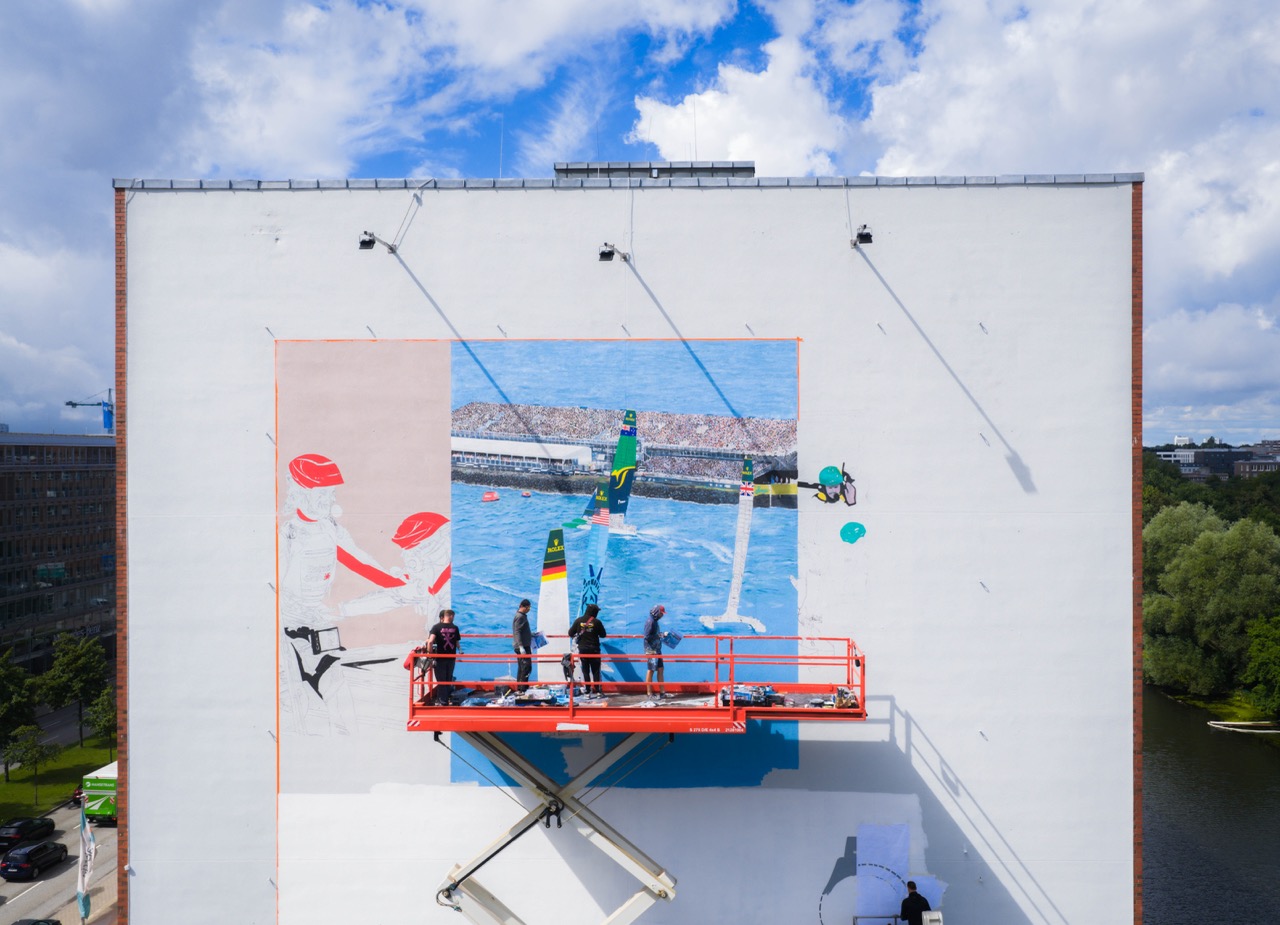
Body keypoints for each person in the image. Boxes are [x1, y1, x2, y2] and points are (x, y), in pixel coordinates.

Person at [568, 604, 607, 696]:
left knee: (585, 671)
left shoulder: (578, 621)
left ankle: (587, 691)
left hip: (583, 649)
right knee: (596, 671)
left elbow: (570, 633)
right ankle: (598, 691)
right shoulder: (597, 622)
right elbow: (603, 635)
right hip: (594, 650)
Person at [426, 609, 462, 705]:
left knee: (441, 680)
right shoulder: (455, 628)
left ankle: (443, 701)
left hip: (440, 658)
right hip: (451, 658)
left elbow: (430, 642)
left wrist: (430, 654)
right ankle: (446, 698)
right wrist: (460, 650)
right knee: (448, 679)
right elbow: (457, 642)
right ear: (451, 616)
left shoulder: (436, 627)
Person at [643, 604, 668, 699]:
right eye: (661, 613)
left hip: (657, 649)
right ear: (656, 612)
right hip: (651, 650)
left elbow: (654, 634)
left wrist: (661, 635)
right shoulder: (650, 621)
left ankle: (662, 692)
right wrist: (660, 635)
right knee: (651, 670)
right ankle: (649, 693)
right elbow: (647, 637)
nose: (662, 615)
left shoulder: (655, 621)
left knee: (661, 669)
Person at [512, 598, 533, 688]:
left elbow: (522, 630)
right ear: (523, 607)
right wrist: (521, 647)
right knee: (526, 667)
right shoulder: (520, 617)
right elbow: (517, 631)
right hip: (522, 646)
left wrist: (530, 634)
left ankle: (521, 687)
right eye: (528, 608)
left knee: (523, 667)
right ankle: (522, 688)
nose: (528, 610)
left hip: (525, 645)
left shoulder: (522, 616)